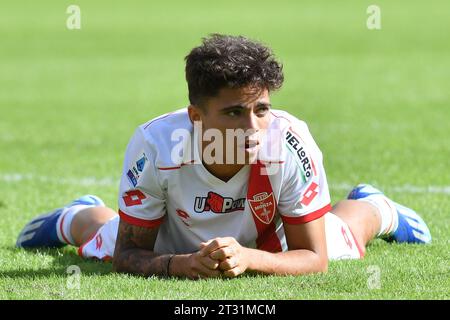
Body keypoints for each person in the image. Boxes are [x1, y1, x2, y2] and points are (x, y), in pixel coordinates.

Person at [16, 34, 431, 279]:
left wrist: (249, 257)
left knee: (345, 233)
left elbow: (314, 258)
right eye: (234, 112)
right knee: (101, 233)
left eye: (261, 110)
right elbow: (128, 254)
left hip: (273, 242)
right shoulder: (156, 145)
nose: (252, 128)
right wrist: (182, 264)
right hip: (172, 237)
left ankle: (377, 205)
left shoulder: (290, 142)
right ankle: (76, 214)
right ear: (196, 116)